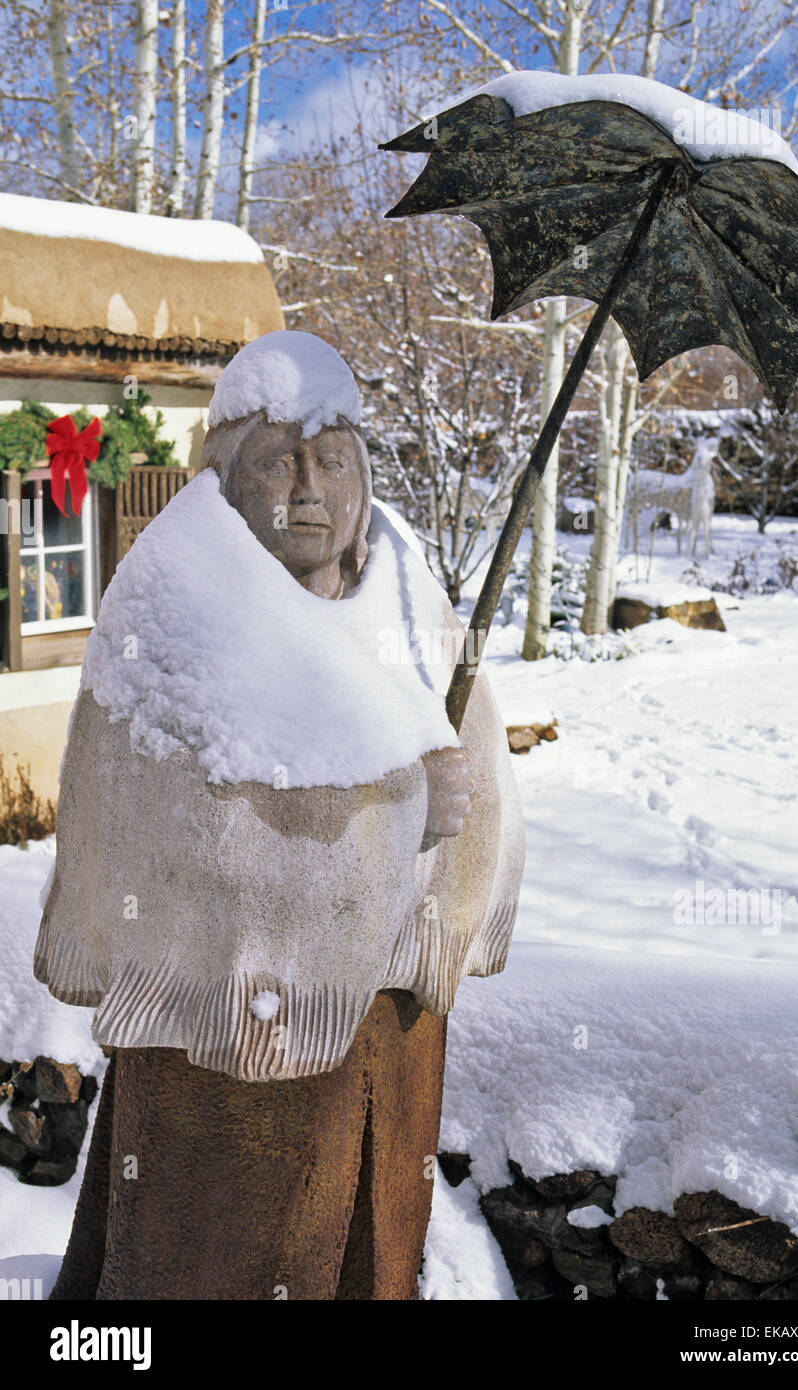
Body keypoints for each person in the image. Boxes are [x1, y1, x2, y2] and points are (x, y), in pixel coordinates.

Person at [36, 331, 524, 1300]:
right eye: (279, 460)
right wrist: (400, 806)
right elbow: (188, 832)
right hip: (220, 1048)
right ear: (226, 472)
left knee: (366, 1254)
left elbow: (486, 788)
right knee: (220, 1255)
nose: (309, 488)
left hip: (384, 1031)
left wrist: (455, 833)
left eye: (333, 460)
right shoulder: (174, 606)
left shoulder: (405, 588)